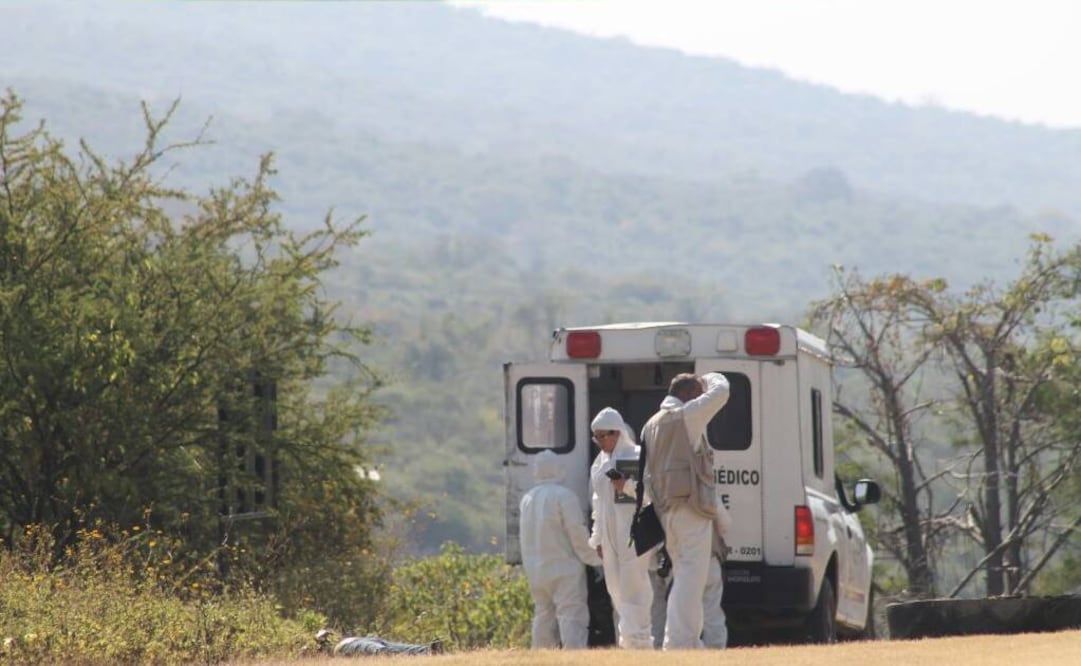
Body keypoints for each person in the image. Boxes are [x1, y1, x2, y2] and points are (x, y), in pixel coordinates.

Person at [640, 371, 730, 649]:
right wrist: (709, 378)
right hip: (691, 507)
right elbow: (722, 391)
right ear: (690, 395)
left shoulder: (650, 425)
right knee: (693, 575)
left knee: (683, 574)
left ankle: (681, 639)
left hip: (665, 510)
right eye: (697, 393)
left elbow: (645, 475)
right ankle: (680, 641)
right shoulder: (688, 416)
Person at [519, 449, 603, 649]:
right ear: (558, 469)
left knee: (543, 617)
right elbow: (578, 536)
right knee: (571, 617)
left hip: (536, 572)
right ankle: (573, 660)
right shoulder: (564, 497)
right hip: (565, 570)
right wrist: (598, 560)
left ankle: (540, 660)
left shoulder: (527, 499)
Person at [587, 407, 654, 649]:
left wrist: (625, 486)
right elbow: (597, 504)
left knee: (634, 588)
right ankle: (629, 644)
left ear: (619, 432)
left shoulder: (637, 456)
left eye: (607, 435)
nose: (603, 441)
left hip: (632, 534)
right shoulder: (599, 464)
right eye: (598, 437)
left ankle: (640, 643)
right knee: (616, 591)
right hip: (610, 537)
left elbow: (651, 496)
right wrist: (597, 539)